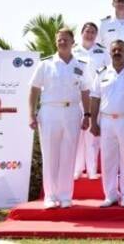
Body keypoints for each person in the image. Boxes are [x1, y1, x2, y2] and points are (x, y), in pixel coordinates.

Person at [29, 29, 91, 209]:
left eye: (65, 39)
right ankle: (50, 196)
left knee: (68, 155)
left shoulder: (81, 65)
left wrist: (87, 114)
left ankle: (65, 196)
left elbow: (85, 91)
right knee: (50, 155)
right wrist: (31, 114)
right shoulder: (45, 64)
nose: (62, 42)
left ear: (73, 42)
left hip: (72, 111)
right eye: (59, 40)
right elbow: (33, 89)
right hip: (50, 111)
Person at [90, 40, 124, 208]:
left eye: (120, 50)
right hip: (106, 120)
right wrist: (93, 122)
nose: (117, 52)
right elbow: (95, 98)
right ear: (110, 53)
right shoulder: (101, 73)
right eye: (114, 50)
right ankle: (110, 194)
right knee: (108, 159)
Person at [72, 22, 108, 180]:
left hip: (95, 97)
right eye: (87, 31)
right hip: (77, 97)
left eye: (93, 32)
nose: (90, 34)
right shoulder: (73, 51)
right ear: (82, 33)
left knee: (93, 135)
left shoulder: (103, 52)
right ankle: (77, 169)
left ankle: (92, 169)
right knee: (77, 135)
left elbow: (108, 73)